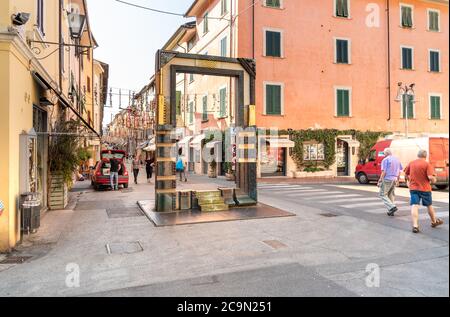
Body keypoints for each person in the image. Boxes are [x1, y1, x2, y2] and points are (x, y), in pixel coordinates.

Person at [405, 150, 444, 234]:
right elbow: (430, 177)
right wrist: (434, 179)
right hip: (425, 189)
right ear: (425, 156)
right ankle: (434, 222)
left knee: (414, 205)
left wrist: (408, 182)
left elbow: (406, 173)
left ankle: (415, 226)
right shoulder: (427, 164)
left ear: (417, 155)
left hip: (414, 188)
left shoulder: (411, 163)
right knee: (429, 205)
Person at [378, 148, 403, 217]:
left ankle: (392, 207)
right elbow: (400, 170)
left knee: (382, 194)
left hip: (387, 179)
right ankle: (391, 211)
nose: (384, 154)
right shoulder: (397, 159)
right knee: (391, 195)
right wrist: (398, 180)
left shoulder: (385, 160)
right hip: (394, 179)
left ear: (386, 153)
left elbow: (384, 172)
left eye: (384, 153)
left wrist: (380, 180)